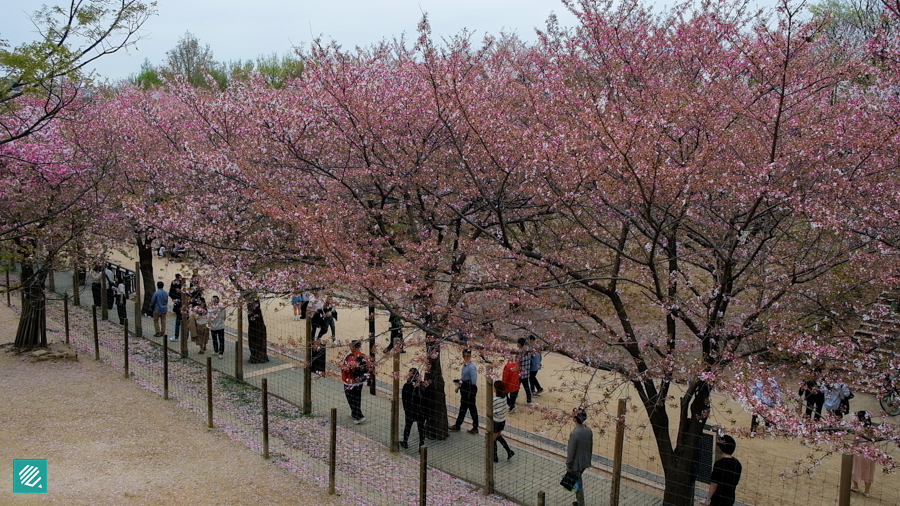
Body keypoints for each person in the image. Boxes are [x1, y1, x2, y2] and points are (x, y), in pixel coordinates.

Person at [704, 435, 742, 506]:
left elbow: (714, 484)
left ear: (721, 448)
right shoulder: (737, 464)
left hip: (718, 498)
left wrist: (708, 498)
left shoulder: (719, 464)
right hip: (730, 497)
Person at [566, 407, 593, 506]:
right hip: (585, 460)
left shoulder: (575, 433)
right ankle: (579, 502)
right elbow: (590, 446)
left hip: (575, 463)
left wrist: (568, 464)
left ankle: (581, 503)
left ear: (575, 418)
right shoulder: (588, 430)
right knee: (577, 481)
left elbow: (571, 451)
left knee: (578, 484)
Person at [449, 349, 479, 434]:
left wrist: (462, 383)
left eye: (468, 356)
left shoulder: (471, 367)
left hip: (470, 389)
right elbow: (463, 378)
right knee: (463, 407)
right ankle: (458, 425)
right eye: (464, 356)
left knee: (471, 408)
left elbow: (473, 381)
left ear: (470, 356)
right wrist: (459, 386)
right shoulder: (465, 365)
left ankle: (474, 427)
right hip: (465, 389)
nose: (466, 357)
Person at [341, 340, 369, 424]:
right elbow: (367, 368)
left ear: (353, 347)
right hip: (359, 381)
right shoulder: (363, 356)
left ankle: (358, 416)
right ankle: (354, 413)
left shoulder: (350, 357)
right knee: (357, 397)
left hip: (349, 380)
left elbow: (346, 368)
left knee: (350, 398)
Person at [851, 411, 876, 498]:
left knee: (856, 469)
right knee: (869, 471)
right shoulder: (872, 429)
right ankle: (867, 491)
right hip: (871, 452)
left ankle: (856, 486)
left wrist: (851, 449)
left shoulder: (859, 430)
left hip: (861, 451)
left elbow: (855, 442)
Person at [401, 368, 426, 449]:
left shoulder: (407, 386)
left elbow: (404, 399)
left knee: (408, 426)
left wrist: (405, 409)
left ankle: (405, 442)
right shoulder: (422, 386)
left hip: (410, 410)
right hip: (420, 411)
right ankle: (421, 445)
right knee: (421, 428)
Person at [492, 380, 515, 462]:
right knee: (498, 436)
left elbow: (490, 410)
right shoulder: (504, 397)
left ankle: (494, 456)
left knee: (493, 438)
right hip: (502, 420)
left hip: (496, 421)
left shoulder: (494, 400)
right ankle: (509, 451)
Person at [517, 337, 534, 406]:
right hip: (526, 373)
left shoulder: (520, 353)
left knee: (516, 387)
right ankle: (529, 401)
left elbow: (517, 362)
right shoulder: (528, 352)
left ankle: (512, 400)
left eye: (518, 343)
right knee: (527, 387)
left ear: (520, 344)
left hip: (520, 373)